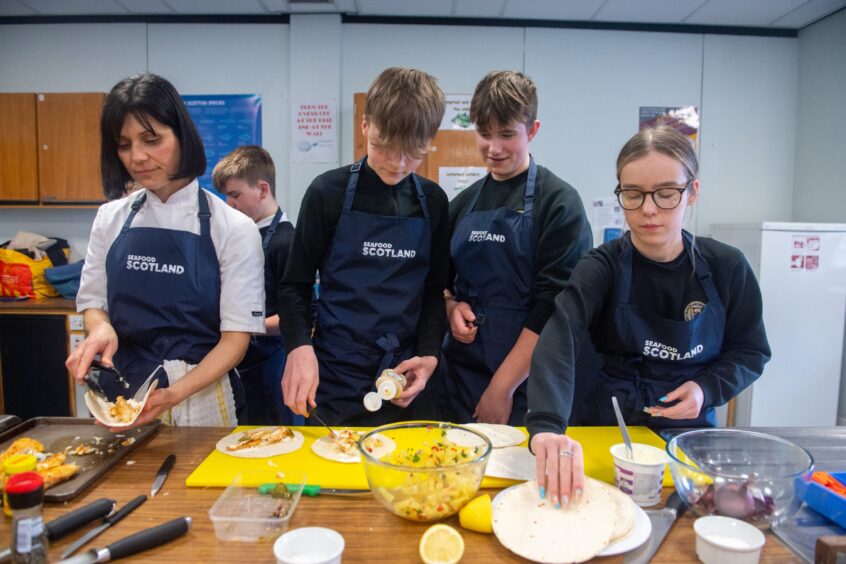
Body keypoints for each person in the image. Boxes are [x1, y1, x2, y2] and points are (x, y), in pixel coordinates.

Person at [527, 125, 771, 508]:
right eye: (633, 194)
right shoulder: (601, 268)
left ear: (692, 191)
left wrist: (706, 388)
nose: (648, 209)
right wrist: (546, 426)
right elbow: (560, 339)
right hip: (608, 433)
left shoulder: (727, 268)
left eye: (666, 193)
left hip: (688, 440)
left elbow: (750, 351)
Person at [66, 73, 265, 428]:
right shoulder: (109, 219)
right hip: (124, 392)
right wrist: (100, 329)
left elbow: (236, 339)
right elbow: (94, 304)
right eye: (124, 144)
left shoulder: (233, 228)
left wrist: (174, 393)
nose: (137, 157)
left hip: (202, 397)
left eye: (152, 139)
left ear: (182, 137)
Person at [278, 67, 449, 426]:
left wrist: (429, 355)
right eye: (384, 147)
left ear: (430, 139)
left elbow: (434, 291)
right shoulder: (327, 192)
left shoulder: (433, 201)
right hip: (335, 375)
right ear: (365, 126)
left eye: (413, 152)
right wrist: (298, 347)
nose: (398, 163)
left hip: (405, 376)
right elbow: (295, 285)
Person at [439, 71, 593, 425]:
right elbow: (440, 282)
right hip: (460, 379)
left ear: (533, 130)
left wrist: (501, 389)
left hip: (528, 386)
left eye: (507, 134)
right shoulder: (462, 204)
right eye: (484, 134)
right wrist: (450, 306)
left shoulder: (559, 203)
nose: (494, 148)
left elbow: (555, 307)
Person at [212, 145, 301, 425]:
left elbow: (299, 318)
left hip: (275, 362)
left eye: (235, 195)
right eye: (225, 196)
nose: (229, 204)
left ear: (263, 189)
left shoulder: (286, 242)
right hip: (244, 361)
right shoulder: (241, 237)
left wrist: (243, 327)